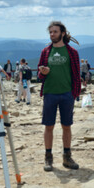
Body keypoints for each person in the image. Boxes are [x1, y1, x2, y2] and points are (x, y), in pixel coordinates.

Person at [38, 21, 81, 172]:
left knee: (66, 126)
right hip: (50, 93)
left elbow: (76, 74)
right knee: (48, 126)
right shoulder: (45, 51)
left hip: (66, 93)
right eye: (50, 32)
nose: (52, 35)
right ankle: (48, 158)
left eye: (55, 32)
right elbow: (39, 74)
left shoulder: (72, 52)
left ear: (62, 33)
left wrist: (75, 93)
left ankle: (67, 157)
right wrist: (42, 73)